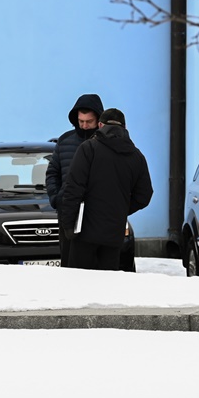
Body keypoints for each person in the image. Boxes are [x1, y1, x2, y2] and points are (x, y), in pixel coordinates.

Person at [59, 108, 154, 271]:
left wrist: (68, 224)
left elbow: (73, 188)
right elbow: (144, 195)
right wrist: (121, 209)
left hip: (84, 232)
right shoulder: (136, 156)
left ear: (100, 125)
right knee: (109, 285)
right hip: (114, 234)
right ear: (125, 128)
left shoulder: (88, 149)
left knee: (80, 283)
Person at [46, 93, 102, 265]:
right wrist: (57, 198)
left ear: (98, 120)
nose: (84, 126)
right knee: (69, 265)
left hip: (97, 214)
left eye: (89, 122)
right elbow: (52, 173)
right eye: (81, 121)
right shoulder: (65, 141)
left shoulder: (105, 143)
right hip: (69, 213)